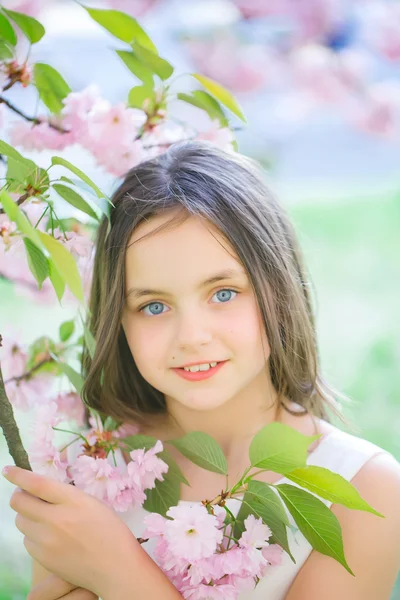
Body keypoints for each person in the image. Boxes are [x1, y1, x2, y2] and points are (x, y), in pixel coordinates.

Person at [27, 140, 400, 599]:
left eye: (223, 293)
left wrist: (119, 571)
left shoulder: (364, 488)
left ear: (278, 288)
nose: (191, 335)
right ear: (117, 321)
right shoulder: (94, 471)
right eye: (154, 305)